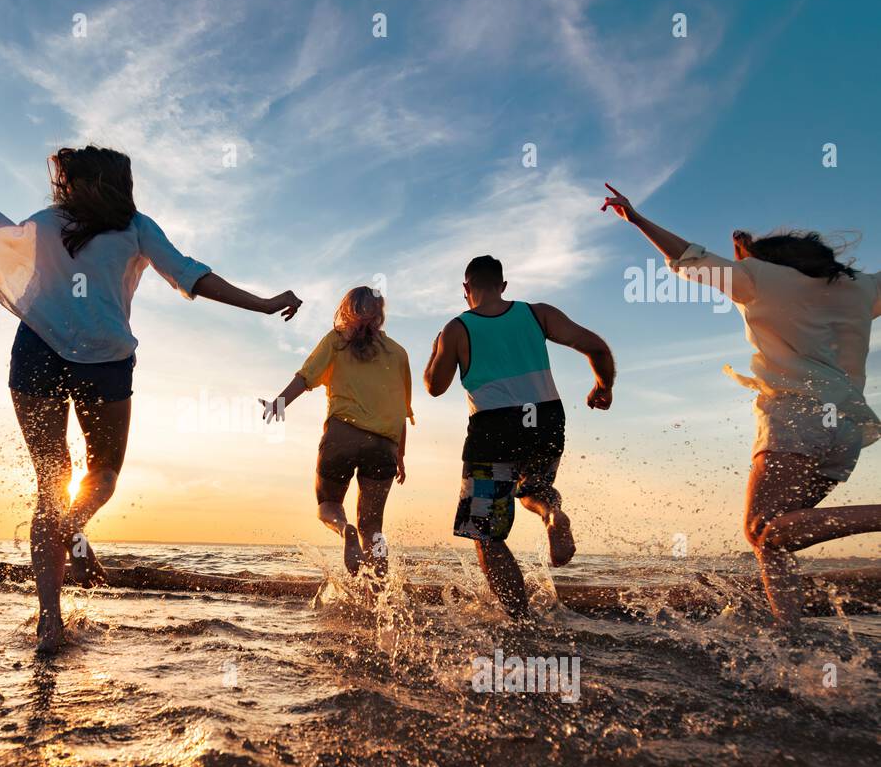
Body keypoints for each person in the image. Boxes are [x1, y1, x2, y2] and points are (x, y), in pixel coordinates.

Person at [0, 146, 302, 654]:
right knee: (99, 477)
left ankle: (53, 612)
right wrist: (263, 304)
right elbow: (189, 273)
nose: (63, 187)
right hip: (101, 360)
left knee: (55, 485)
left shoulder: (49, 223)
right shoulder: (133, 225)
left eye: (69, 180)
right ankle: (63, 561)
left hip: (40, 351)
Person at [601, 183, 881, 628]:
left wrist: (635, 218)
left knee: (762, 530)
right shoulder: (862, 288)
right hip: (847, 432)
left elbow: (689, 258)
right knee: (776, 536)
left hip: (796, 418)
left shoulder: (757, 278)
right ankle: (790, 632)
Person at [424, 255, 615, 620]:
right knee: (532, 487)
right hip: (544, 418)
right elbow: (597, 348)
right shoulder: (537, 314)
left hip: (493, 426)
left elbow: (435, 386)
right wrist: (603, 387)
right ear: (503, 286)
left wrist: (437, 350)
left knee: (488, 535)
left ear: (466, 290)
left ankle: (520, 620)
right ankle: (552, 513)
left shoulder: (457, 329)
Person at [260, 286, 411, 575]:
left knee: (328, 505)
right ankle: (379, 595)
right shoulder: (398, 353)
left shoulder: (337, 341)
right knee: (374, 528)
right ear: (380, 314)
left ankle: (344, 530)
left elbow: (305, 378)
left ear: (346, 310)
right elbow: (401, 409)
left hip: (343, 435)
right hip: (384, 446)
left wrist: (278, 404)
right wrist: (401, 455)